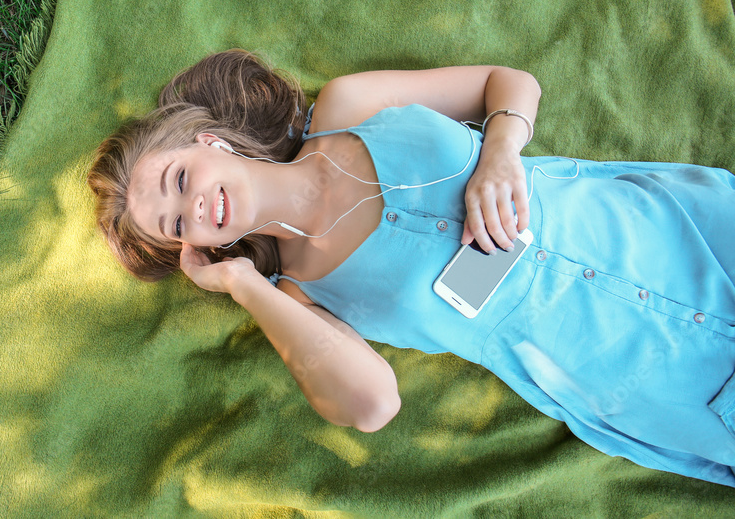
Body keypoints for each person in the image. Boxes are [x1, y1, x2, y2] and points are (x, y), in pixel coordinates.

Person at [87, 48, 735, 487]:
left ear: (210, 142)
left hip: (660, 228)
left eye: (178, 180)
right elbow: (371, 403)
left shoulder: (347, 107)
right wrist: (244, 285)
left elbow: (507, 83)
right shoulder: (302, 295)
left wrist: (501, 153)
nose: (193, 205)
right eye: (177, 224)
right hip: (632, 363)